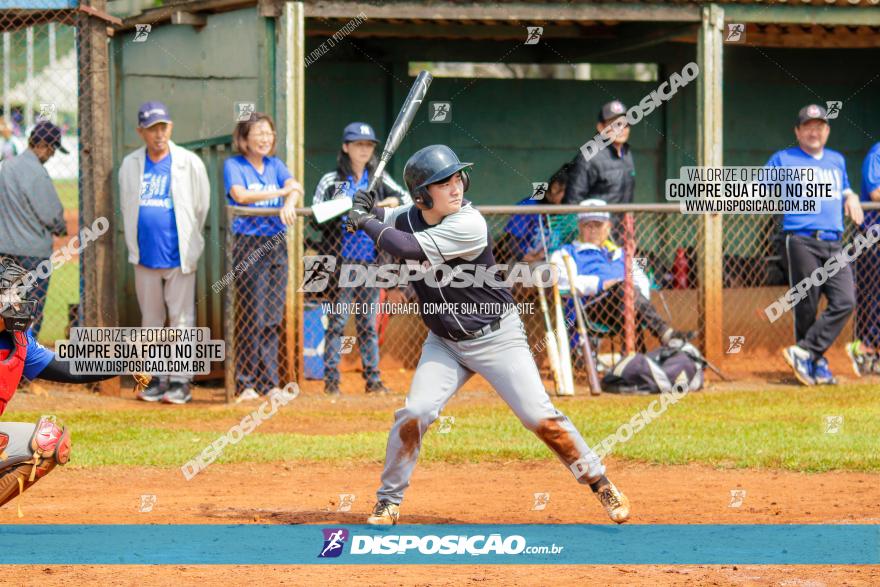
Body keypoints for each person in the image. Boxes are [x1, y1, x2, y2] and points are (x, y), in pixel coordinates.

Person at [345, 144, 631, 526]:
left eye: (457, 177)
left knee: (538, 417)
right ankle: (388, 502)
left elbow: (406, 247)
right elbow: (386, 218)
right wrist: (364, 207)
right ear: (421, 195)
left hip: (497, 337)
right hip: (445, 343)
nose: (455, 187)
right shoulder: (409, 216)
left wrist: (365, 220)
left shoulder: (469, 223)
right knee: (414, 413)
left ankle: (600, 482)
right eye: (442, 182)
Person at [0, 257, 125, 509]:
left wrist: (126, 362)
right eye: (7, 294)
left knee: (49, 441)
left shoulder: (17, 340)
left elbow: (69, 368)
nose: (15, 302)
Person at [119, 101, 211, 405]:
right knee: (151, 319)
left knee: (182, 318)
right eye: (151, 129)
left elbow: (201, 208)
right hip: (144, 255)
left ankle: (180, 381)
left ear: (170, 128)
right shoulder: (131, 164)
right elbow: (127, 206)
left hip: (177, 254)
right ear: (140, 131)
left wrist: (189, 241)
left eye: (163, 127)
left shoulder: (188, 162)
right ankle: (156, 378)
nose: (158, 134)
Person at [312, 122, 410, 397]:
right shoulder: (332, 180)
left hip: (371, 262)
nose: (364, 149)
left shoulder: (378, 179)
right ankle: (331, 382)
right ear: (346, 147)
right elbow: (315, 214)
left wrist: (381, 206)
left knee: (368, 323)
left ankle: (373, 380)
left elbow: (404, 198)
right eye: (358, 144)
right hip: (341, 263)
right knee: (338, 322)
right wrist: (349, 205)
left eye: (368, 145)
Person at [768, 104, 862, 386]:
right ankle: (815, 363)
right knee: (807, 305)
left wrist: (852, 196)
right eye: (808, 126)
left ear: (827, 131)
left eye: (819, 126)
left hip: (833, 242)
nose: (814, 131)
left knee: (845, 300)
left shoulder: (836, 160)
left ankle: (806, 351)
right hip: (801, 240)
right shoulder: (783, 159)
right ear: (797, 131)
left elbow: (845, 188)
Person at [224, 112, 301, 401]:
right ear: (244, 139)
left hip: (276, 244)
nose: (265, 138)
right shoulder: (234, 165)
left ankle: (269, 383)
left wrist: (289, 203)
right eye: (258, 133)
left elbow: (296, 188)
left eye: (268, 133)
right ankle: (245, 383)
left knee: (271, 317)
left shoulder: (275, 165)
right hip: (249, 244)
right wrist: (282, 192)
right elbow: (240, 195)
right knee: (252, 316)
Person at [550, 200, 691, 347]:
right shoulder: (567, 252)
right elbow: (561, 281)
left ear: (608, 227)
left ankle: (634, 361)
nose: (593, 230)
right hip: (591, 307)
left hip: (626, 305)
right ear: (580, 227)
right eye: (588, 225)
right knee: (625, 288)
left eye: (598, 225)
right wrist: (600, 284)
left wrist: (635, 299)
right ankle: (664, 333)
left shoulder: (621, 253)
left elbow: (641, 280)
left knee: (628, 292)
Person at [0, 120, 68, 337]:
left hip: (5, 252)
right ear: (44, 146)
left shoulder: (6, 167)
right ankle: (25, 366)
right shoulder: (37, 172)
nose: (53, 155)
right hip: (33, 256)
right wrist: (60, 227)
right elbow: (52, 216)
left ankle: (7, 366)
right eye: (53, 149)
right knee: (30, 315)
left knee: (6, 312)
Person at [847, 141, 880, 376]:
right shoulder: (877, 153)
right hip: (872, 239)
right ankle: (864, 350)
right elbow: (876, 192)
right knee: (872, 298)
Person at [564, 100, 636, 207]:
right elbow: (572, 201)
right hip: (595, 222)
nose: (621, 129)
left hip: (621, 223)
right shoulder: (588, 157)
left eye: (625, 124)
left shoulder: (626, 153)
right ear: (601, 127)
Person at [503, 162, 574, 262]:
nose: (571, 200)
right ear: (555, 188)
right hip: (523, 264)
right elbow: (512, 242)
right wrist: (532, 258)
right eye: (569, 195)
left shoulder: (568, 212)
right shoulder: (529, 205)